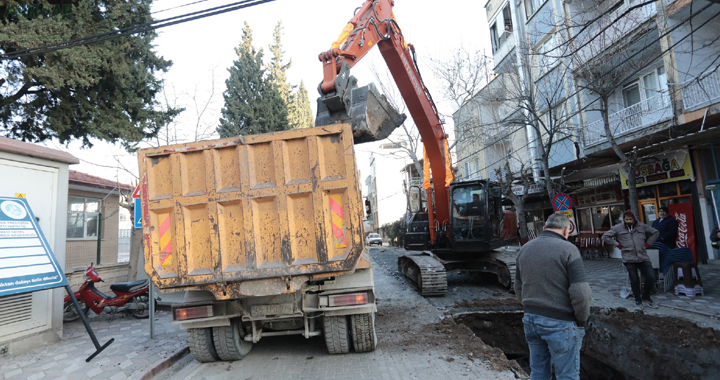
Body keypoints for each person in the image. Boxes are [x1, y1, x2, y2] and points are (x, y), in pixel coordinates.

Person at [514, 213, 591, 380]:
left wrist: (529, 308)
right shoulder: (568, 249)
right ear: (566, 231)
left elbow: (518, 287)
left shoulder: (525, 249)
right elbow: (581, 293)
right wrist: (581, 321)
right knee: (567, 376)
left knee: (539, 373)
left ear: (544, 228)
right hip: (560, 322)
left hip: (531, 320)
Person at [602, 210, 660, 309]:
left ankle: (646, 297)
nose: (629, 221)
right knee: (634, 280)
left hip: (642, 256)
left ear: (634, 219)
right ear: (624, 220)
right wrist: (617, 245)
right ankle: (638, 300)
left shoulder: (641, 226)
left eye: (630, 219)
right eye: (627, 219)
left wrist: (648, 243)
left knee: (651, 277)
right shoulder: (618, 228)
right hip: (628, 258)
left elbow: (655, 232)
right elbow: (605, 236)